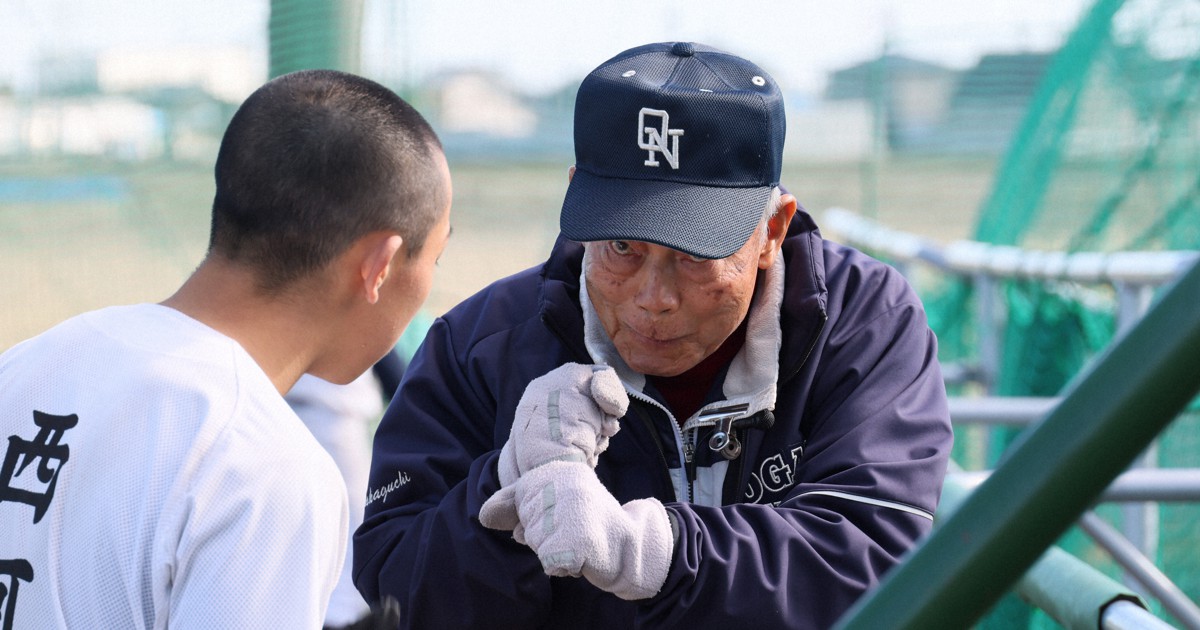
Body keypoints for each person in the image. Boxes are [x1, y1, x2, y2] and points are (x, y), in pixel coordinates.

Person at [354, 42, 952, 629]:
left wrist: (654, 553)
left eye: (695, 255)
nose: (653, 298)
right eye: (620, 246)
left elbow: (880, 562)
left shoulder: (861, 322)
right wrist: (507, 480)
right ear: (580, 201)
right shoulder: (478, 347)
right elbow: (397, 592)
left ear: (773, 228)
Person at [0, 69, 452, 629]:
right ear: (379, 266)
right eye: (435, 257)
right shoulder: (266, 466)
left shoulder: (26, 364)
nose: (432, 277)